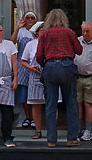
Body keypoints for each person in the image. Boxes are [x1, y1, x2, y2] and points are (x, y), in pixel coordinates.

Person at [35, 8, 83, 147]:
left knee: (50, 105)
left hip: (50, 67)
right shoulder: (69, 32)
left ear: (49, 20)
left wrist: (47, 65)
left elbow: (38, 56)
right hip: (67, 67)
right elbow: (79, 50)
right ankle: (72, 138)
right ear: (64, 20)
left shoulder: (44, 34)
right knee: (71, 104)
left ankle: (51, 140)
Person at [19, 21, 46, 138]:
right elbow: (23, 61)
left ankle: (52, 131)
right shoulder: (31, 45)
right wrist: (31, 68)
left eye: (45, 30)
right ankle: (38, 130)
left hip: (50, 77)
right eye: (41, 30)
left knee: (52, 105)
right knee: (36, 105)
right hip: (35, 78)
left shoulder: (52, 43)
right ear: (37, 32)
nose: (43, 33)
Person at [12, 11, 38, 129]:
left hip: (34, 63)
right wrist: (17, 27)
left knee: (34, 92)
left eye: (33, 18)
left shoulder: (38, 32)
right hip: (22, 63)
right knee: (23, 93)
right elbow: (12, 42)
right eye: (28, 18)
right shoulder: (21, 31)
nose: (30, 20)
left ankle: (34, 118)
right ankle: (28, 117)